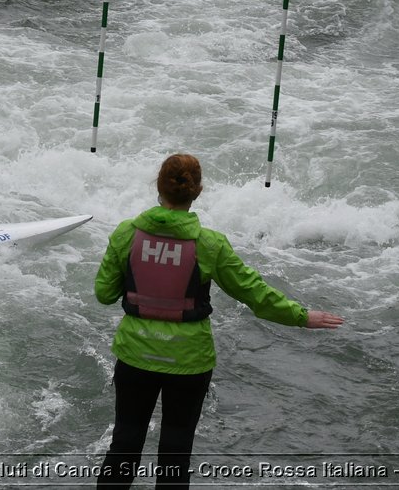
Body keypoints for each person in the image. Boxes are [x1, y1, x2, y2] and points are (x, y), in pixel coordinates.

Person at [94, 153, 343, 489]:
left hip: (135, 356)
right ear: (197, 191)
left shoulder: (127, 234)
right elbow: (254, 292)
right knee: (176, 451)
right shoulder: (208, 244)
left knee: (124, 443)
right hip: (189, 362)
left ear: (158, 186)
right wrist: (302, 316)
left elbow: (104, 293)